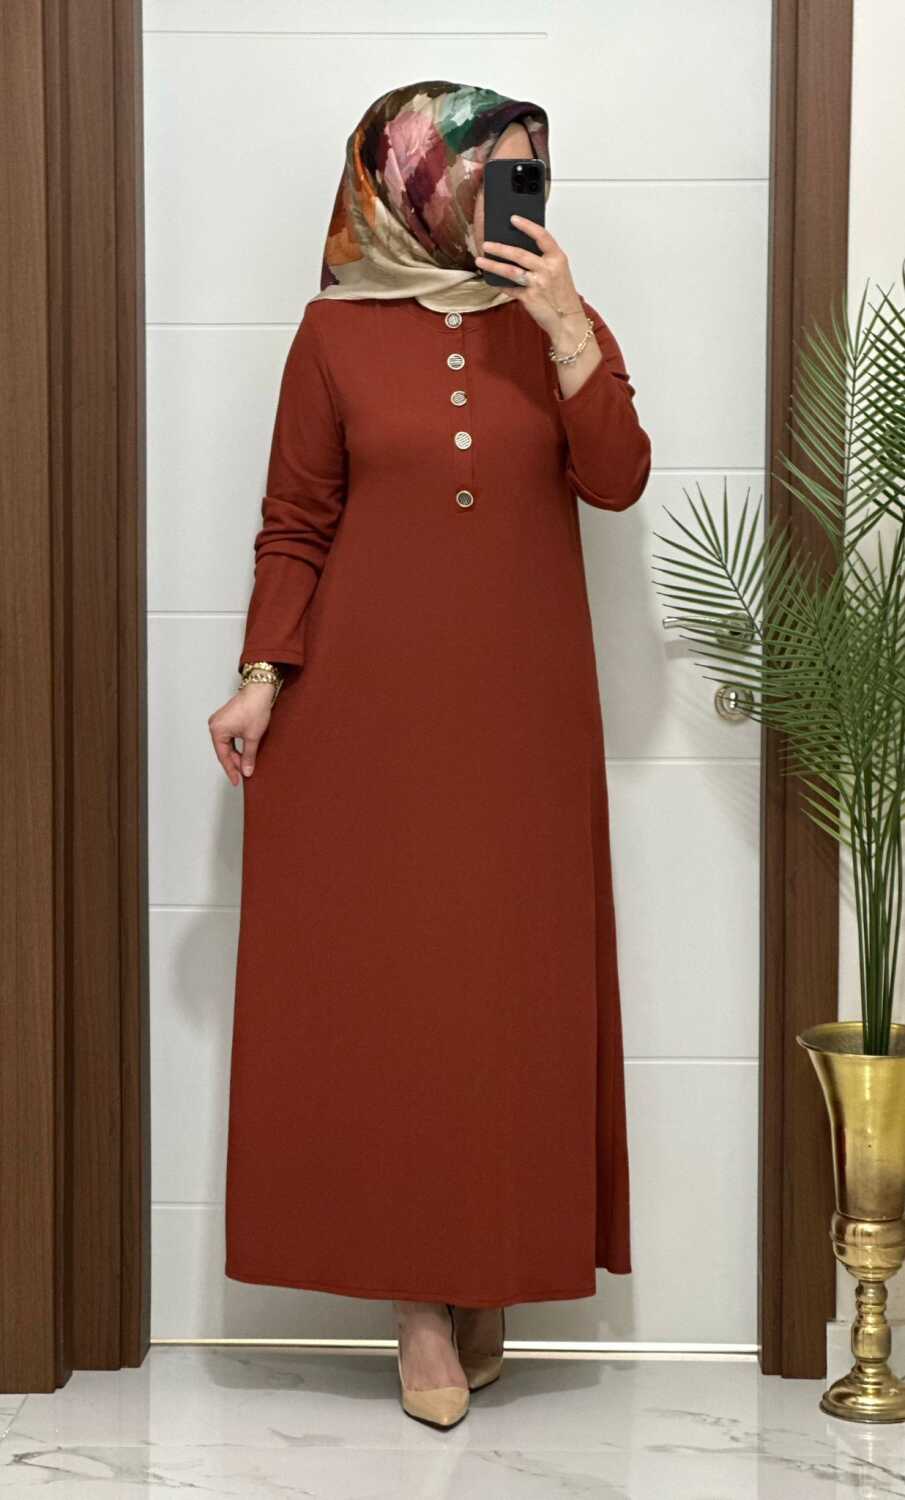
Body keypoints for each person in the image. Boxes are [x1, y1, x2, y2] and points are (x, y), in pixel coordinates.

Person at [208, 79, 652, 1430]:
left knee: (508, 988)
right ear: (412, 184)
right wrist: (260, 676)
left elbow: (617, 477)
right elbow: (295, 521)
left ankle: (490, 1265)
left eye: (530, 176)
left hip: (522, 713)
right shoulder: (333, 334)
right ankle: (418, 1303)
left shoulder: (556, 323)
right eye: (488, 175)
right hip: (367, 718)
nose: (512, 201)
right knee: (394, 994)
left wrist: (565, 326)